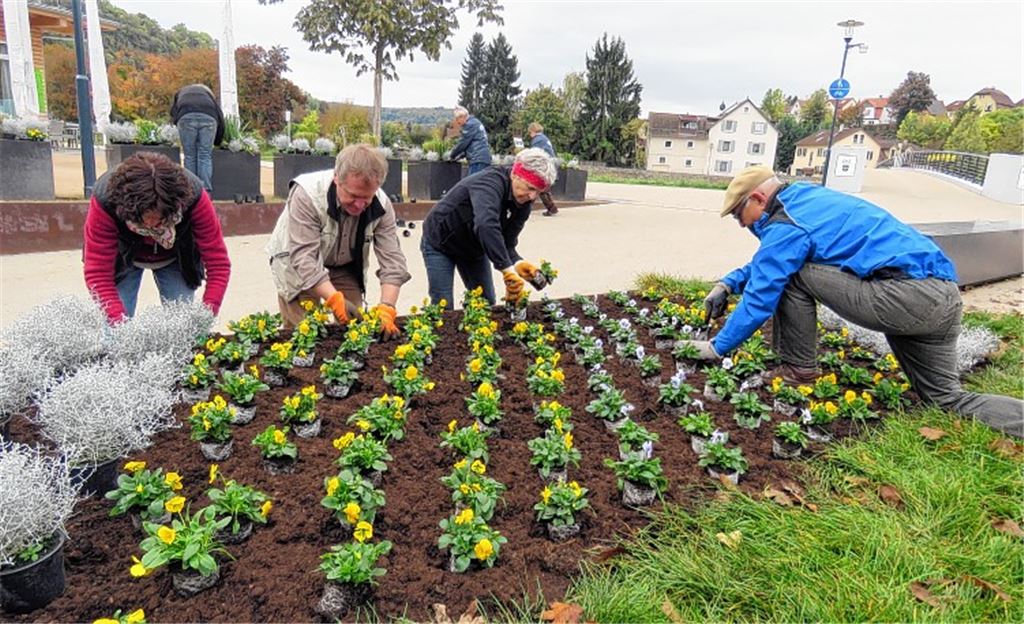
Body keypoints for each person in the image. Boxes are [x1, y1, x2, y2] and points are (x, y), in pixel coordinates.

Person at [676, 165, 1023, 439]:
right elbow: (774, 258)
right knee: (945, 397)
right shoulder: (806, 201)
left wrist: (718, 348)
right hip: (942, 298)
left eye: (739, 214)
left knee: (792, 276)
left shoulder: (786, 224)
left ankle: (798, 370)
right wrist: (728, 282)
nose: (740, 224)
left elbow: (766, 288)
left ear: (757, 198)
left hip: (905, 297)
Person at [265, 144, 410, 339]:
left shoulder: (382, 206)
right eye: (353, 196)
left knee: (356, 330)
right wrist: (334, 299)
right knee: (304, 333)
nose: (360, 204)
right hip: (297, 265)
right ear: (336, 179)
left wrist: (387, 307)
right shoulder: (307, 194)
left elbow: (393, 261)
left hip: (344, 265)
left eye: (366, 197)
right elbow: (304, 258)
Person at [83, 151, 231, 323]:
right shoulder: (106, 199)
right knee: (115, 332)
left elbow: (218, 262)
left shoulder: (194, 196)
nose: (152, 225)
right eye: (144, 219)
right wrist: (119, 325)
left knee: (182, 326)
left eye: (160, 218)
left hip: (176, 255)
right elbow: (98, 272)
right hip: (123, 255)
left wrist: (206, 313)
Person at [421, 147, 557, 307]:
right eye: (531, 188)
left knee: (485, 303)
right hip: (440, 243)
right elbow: (486, 225)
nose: (533, 196)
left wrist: (518, 263)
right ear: (515, 174)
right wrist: (506, 269)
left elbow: (507, 242)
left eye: (539, 192)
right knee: (443, 306)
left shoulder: (524, 202)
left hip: (473, 247)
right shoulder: (489, 183)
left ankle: (472, 330)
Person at [170, 84, 225, 192]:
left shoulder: (181, 92)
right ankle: (206, 191)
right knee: (205, 155)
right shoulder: (209, 97)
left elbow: (173, 112)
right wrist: (218, 141)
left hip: (186, 116)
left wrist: (178, 124)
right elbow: (220, 117)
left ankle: (190, 190)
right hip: (209, 118)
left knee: (189, 156)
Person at [449, 106, 492, 176]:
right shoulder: (476, 122)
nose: (457, 121)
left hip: (477, 160)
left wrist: (452, 155)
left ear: (462, 116)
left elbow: (462, 143)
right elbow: (471, 144)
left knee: (473, 185)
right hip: (483, 159)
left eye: (457, 119)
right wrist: (460, 156)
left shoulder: (469, 125)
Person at [528, 122, 559, 216]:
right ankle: (552, 208)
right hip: (550, 165)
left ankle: (526, 208)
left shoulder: (537, 140)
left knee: (539, 187)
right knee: (543, 188)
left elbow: (534, 153)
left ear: (533, 131)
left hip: (544, 166)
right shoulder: (544, 138)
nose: (530, 135)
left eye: (530, 132)